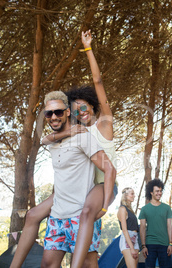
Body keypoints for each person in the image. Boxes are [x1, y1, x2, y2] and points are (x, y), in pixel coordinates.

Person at [10, 30, 117, 268]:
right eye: (76, 109)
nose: (82, 112)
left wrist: (88, 49)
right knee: (34, 214)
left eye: (85, 107)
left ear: (93, 105)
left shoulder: (103, 125)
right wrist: (67, 131)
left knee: (89, 212)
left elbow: (98, 82)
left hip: (102, 185)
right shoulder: (75, 133)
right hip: (79, 187)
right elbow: (47, 138)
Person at [40, 91, 116, 267]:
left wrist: (104, 206)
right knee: (47, 264)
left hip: (80, 215)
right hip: (57, 216)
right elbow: (43, 140)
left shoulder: (84, 136)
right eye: (49, 113)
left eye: (58, 112)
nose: (53, 116)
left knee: (87, 264)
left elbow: (109, 168)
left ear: (66, 112)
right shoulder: (53, 141)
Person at [139, 179, 172, 268]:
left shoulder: (167, 208)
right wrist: (143, 246)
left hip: (165, 245)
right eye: (157, 191)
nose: (159, 193)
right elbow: (142, 228)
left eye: (161, 191)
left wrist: (171, 243)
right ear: (151, 192)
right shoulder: (144, 209)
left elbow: (169, 226)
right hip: (150, 245)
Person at [117, 187, 140, 268]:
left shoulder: (130, 210)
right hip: (127, 240)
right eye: (132, 194)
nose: (134, 196)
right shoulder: (122, 209)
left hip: (135, 238)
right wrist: (131, 248)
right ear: (125, 195)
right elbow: (124, 229)